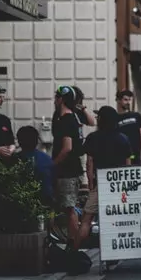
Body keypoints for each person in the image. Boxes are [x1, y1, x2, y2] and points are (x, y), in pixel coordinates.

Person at [77, 106, 133, 248]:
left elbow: (89, 164)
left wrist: (91, 185)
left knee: (86, 219)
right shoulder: (123, 138)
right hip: (118, 185)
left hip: (100, 184)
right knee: (117, 218)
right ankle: (115, 250)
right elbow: (128, 165)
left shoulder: (93, 138)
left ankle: (73, 253)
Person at [51, 85, 85, 246]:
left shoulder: (66, 120)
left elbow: (67, 148)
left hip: (68, 172)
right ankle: (73, 243)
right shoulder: (73, 118)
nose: (54, 100)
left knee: (70, 209)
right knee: (70, 208)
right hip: (73, 169)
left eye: (56, 97)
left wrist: (52, 165)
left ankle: (74, 245)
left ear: (61, 99)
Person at [14, 125, 54, 202]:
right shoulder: (47, 159)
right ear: (37, 141)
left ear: (19, 141)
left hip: (21, 201)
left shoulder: (14, 160)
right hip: (46, 201)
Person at [115, 89, 141, 164]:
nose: (128, 102)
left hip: (136, 153)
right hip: (121, 155)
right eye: (125, 100)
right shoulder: (115, 118)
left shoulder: (136, 116)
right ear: (118, 100)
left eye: (129, 100)